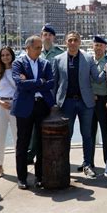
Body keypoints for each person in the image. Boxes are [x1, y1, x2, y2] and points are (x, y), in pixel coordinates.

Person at [54, 31, 100, 179]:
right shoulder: (58, 59)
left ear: (80, 42)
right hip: (66, 103)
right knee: (66, 136)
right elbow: (54, 83)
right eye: (70, 40)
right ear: (66, 42)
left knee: (87, 135)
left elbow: (97, 79)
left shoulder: (88, 58)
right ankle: (64, 165)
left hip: (85, 102)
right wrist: (54, 103)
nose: (73, 43)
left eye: (75, 40)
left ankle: (87, 164)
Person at [12, 35, 55, 190]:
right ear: (27, 48)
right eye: (37, 47)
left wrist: (31, 83)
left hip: (42, 106)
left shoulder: (45, 63)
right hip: (24, 108)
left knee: (41, 143)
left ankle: (39, 177)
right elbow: (19, 84)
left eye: (40, 47)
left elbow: (51, 83)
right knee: (22, 143)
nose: (40, 50)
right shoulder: (18, 63)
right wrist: (39, 82)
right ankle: (22, 178)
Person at [27, 24, 64, 164]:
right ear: (41, 36)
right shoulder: (35, 52)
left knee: (53, 127)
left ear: (53, 37)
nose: (47, 37)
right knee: (34, 129)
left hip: (53, 96)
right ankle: (31, 155)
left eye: (49, 35)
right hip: (36, 97)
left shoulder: (60, 53)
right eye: (44, 35)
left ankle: (50, 156)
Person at [0, 46, 17, 178]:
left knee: (18, 138)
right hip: (0, 106)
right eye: (3, 55)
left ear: (12, 55)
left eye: (8, 54)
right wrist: (0, 102)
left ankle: (20, 164)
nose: (5, 57)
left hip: (15, 106)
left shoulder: (18, 70)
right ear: (0, 58)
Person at [90, 36, 107, 167]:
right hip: (90, 100)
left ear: (105, 47)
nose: (98, 48)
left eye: (101, 45)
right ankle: (88, 162)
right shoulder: (88, 61)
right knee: (89, 133)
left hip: (103, 101)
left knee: (105, 133)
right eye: (96, 45)